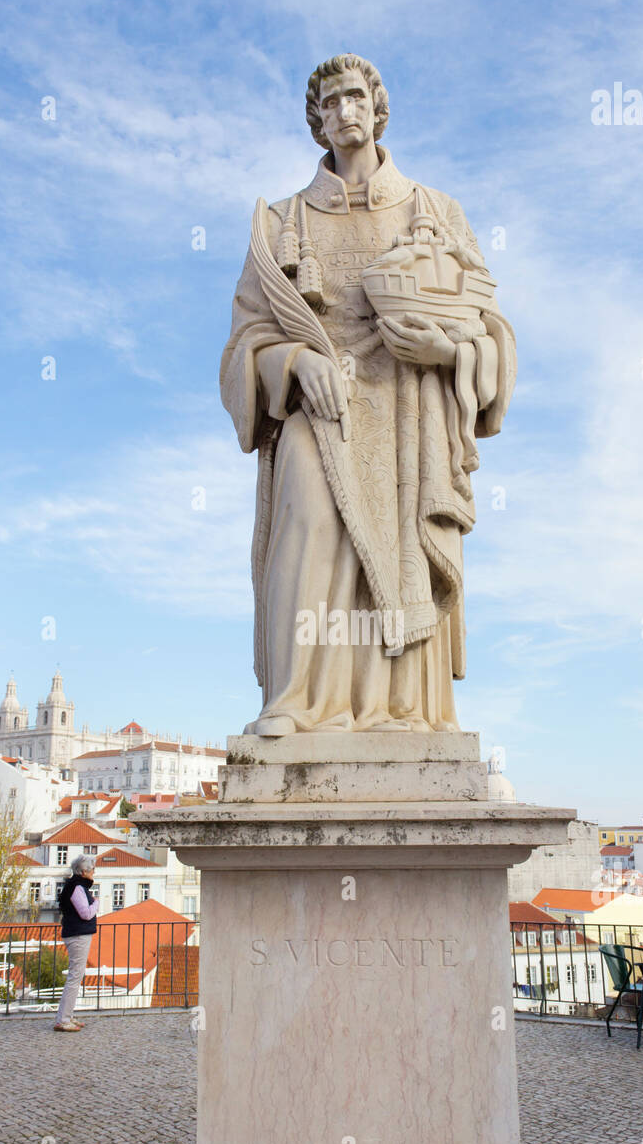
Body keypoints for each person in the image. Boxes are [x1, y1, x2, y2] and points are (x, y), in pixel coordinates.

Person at [220, 52, 516, 735]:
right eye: (328, 103)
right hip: (319, 408)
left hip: (412, 407)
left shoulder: (436, 212)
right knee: (312, 520)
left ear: (377, 107)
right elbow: (242, 343)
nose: (343, 111)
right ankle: (296, 700)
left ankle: (401, 709)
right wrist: (293, 362)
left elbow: (493, 327)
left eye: (354, 97)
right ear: (316, 122)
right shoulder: (281, 223)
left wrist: (449, 352)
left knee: (404, 539)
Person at [53, 853, 97, 1033]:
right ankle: (63, 1019)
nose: (94, 872)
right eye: (93, 869)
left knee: (75, 976)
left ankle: (67, 1016)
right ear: (84, 871)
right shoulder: (77, 888)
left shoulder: (74, 886)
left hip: (76, 933)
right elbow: (86, 913)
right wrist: (97, 903)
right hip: (78, 934)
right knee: (74, 977)